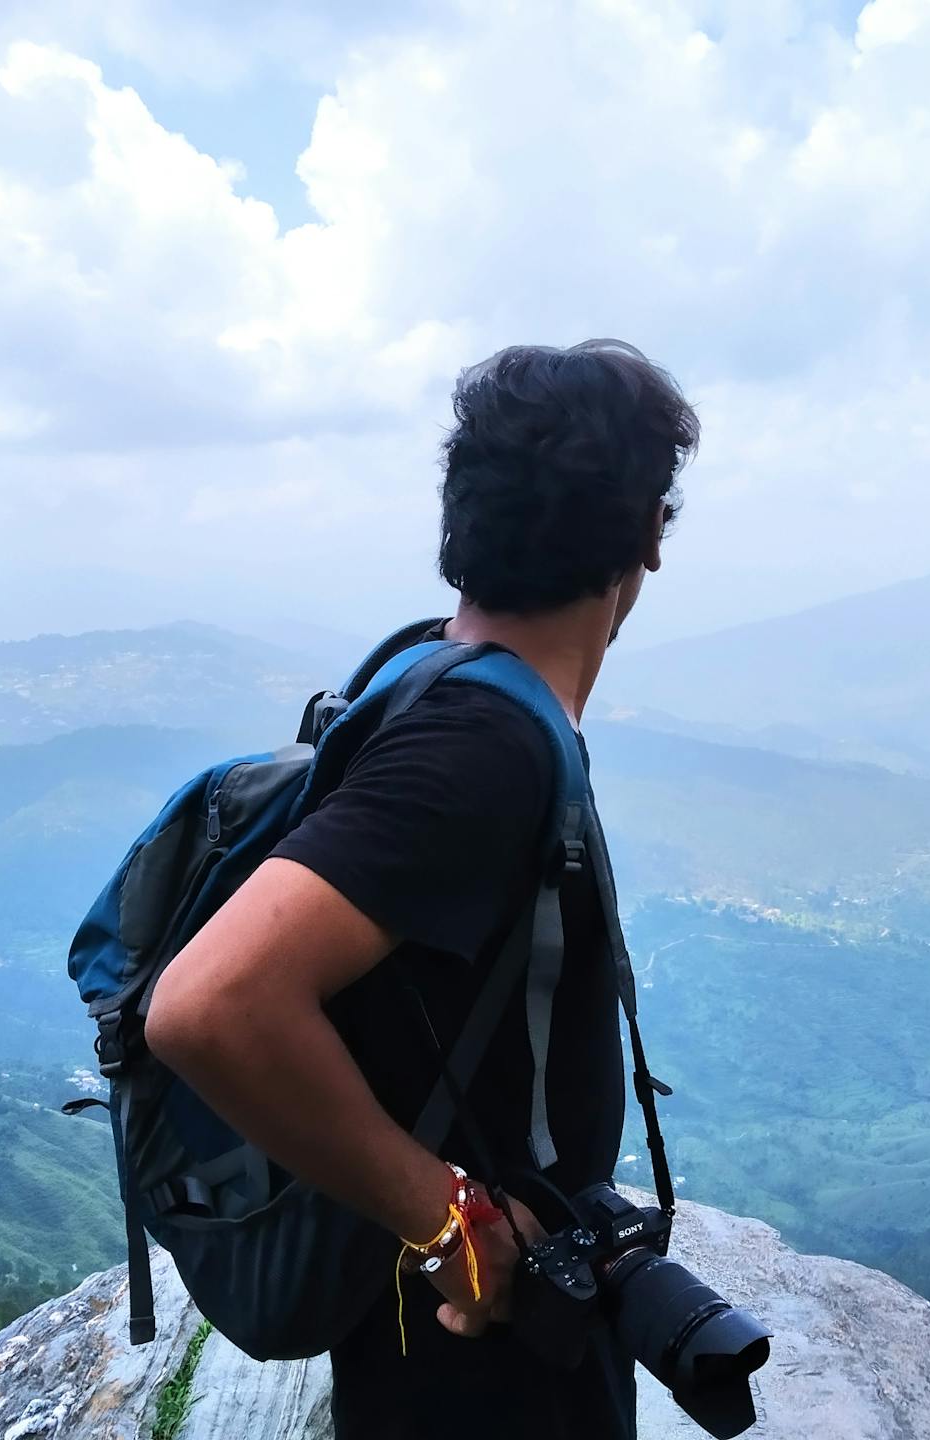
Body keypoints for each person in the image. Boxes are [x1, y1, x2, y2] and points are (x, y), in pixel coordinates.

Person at [144, 339, 698, 1438]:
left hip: (441, 1312)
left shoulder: (424, 668)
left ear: (465, 521)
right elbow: (211, 1004)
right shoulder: (482, 746)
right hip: (478, 1347)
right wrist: (451, 1227)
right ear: (646, 536)